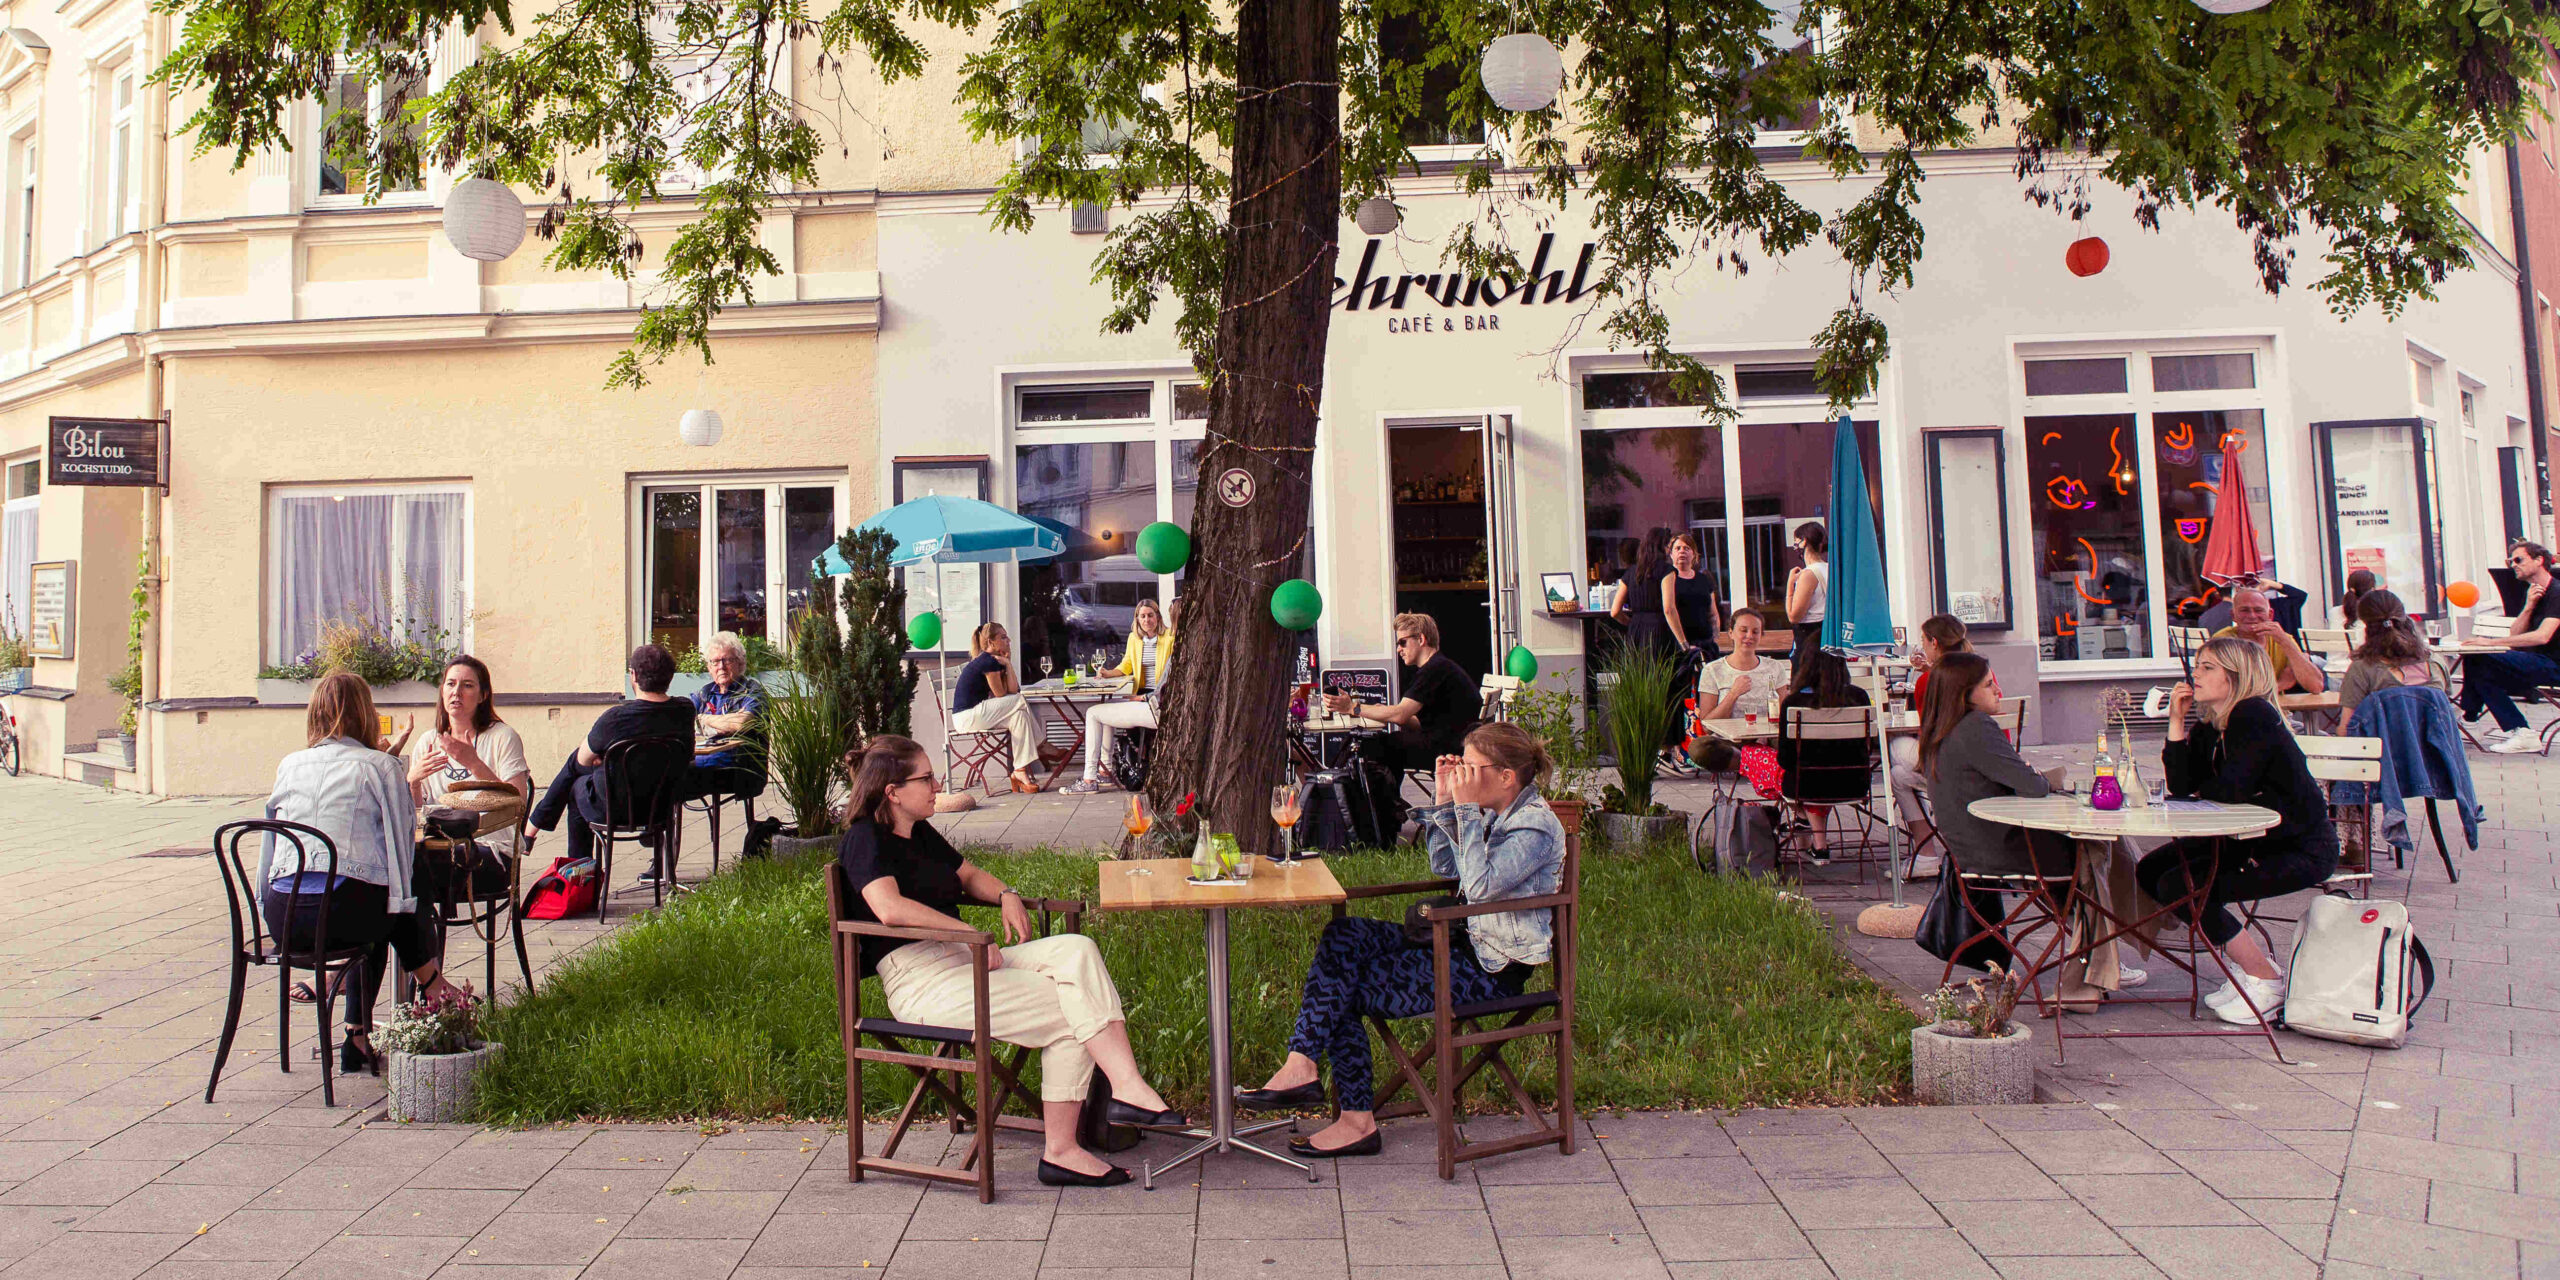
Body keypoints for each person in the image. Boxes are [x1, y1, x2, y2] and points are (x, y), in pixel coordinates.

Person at [836, 735, 1184, 1187]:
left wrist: (1005, 894)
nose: (937, 785)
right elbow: (889, 908)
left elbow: (969, 875)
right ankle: (1063, 1151)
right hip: (921, 981)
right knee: (1069, 1010)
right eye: (927, 778)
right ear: (892, 792)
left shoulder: (919, 832)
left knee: (1078, 952)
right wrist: (968, 934)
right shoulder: (865, 838)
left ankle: (1127, 1088)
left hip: (964, 959)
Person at [1237, 722, 1565, 1157]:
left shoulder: (1535, 826)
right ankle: (1303, 1063)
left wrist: (1464, 810)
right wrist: (1446, 803)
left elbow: (1482, 888)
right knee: (1344, 934)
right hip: (1459, 944)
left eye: (1471, 766)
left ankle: (1355, 1120)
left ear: (1506, 776)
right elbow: (1446, 865)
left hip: (1492, 970)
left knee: (1345, 990)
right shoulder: (1492, 812)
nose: (1463, 773)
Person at [265, 672, 469, 1073]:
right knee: (397, 896)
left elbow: (269, 851)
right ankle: (430, 984)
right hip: (341, 914)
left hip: (283, 918)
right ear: (366, 714)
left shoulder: (289, 765)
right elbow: (401, 842)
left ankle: (357, 1035)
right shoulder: (380, 766)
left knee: (376, 902)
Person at [1916, 654, 2146, 1008]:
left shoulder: (1941, 730)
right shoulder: (1975, 726)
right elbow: (2032, 786)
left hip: (1973, 848)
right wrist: (2036, 778)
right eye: (1989, 684)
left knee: (2080, 852)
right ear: (1965, 693)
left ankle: (2102, 945)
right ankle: (2102, 955)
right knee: (2098, 848)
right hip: (2002, 849)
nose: (1998, 690)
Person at [2141, 637, 2340, 1022]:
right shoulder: (2213, 725)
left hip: (2296, 848)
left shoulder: (2254, 715)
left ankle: (2265, 978)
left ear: (2236, 677)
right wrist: (2176, 721)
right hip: (2242, 841)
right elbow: (2182, 786)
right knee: (2151, 871)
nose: (2194, 674)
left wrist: (2205, 789)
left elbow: (2230, 790)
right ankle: (2245, 964)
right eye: (2196, 665)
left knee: (2180, 886)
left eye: (2207, 667)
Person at [526, 644, 700, 877]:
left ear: (634, 676)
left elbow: (583, 760)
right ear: (670, 677)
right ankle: (533, 830)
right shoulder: (685, 710)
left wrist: (604, 758)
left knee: (576, 781)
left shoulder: (616, 718)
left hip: (614, 810)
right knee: (580, 773)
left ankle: (578, 876)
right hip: (662, 808)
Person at [1325, 612, 1479, 774]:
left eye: (1402, 642)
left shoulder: (1434, 670)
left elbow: (1400, 715)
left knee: (1367, 746)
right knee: (1385, 743)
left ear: (1421, 639)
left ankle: (1349, 793)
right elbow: (1416, 722)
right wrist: (1382, 712)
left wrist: (1351, 707)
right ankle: (1386, 798)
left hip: (1446, 751)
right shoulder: (1439, 666)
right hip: (1452, 744)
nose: (1398, 649)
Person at [1062, 599, 1176, 794]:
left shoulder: (1170, 639)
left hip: (1153, 701)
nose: (1147, 620)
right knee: (1105, 713)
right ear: (1137, 619)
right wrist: (1108, 673)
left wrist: (1141, 699)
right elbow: (1127, 665)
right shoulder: (1135, 638)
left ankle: (1089, 779)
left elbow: (1166, 683)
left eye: (1150, 615)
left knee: (1093, 713)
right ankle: (1104, 772)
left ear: (1158, 617)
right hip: (1143, 696)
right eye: (1143, 616)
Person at [2458, 540, 2560, 752]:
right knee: (2478, 666)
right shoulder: (2533, 592)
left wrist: (2490, 643)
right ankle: (2519, 731)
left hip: (2554, 665)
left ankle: (2470, 720)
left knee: (2479, 659)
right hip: (2535, 663)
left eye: (2518, 559)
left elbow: (2542, 637)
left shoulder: (2557, 593)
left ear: (2539, 561)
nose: (2513, 565)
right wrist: (2528, 606)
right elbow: (2516, 633)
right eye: (2510, 561)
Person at [1772, 648, 1871, 864]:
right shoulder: (1859, 696)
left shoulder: (1794, 702)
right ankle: (1806, 825)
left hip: (1803, 787)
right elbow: (1869, 749)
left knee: (1766, 760)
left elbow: (1785, 760)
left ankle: (1802, 819)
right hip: (1854, 784)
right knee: (1817, 768)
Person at [1886, 614, 1970, 866]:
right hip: (1980, 765)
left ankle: (1928, 850)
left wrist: (1926, 675)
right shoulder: (1978, 669)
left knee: (1896, 746)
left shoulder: (1928, 682)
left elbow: (1930, 731)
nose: (1921, 646)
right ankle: (1925, 854)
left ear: (1934, 642)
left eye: (1923, 640)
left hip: (1948, 766)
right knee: (1899, 775)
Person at [951, 622, 1071, 793]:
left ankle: (1020, 772)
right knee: (1018, 701)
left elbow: (1013, 690)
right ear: (991, 642)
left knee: (1019, 716)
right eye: (1003, 637)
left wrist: (1007, 663)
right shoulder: (987, 661)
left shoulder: (996, 661)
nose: (1009, 640)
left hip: (979, 714)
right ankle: (1042, 745)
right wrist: (1006, 664)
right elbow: (1002, 694)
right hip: (967, 717)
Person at [407, 655, 533, 812]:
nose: (456, 692)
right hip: (441, 836)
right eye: (451, 684)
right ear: (442, 691)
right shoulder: (428, 741)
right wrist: (413, 783)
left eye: (467, 685)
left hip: (492, 835)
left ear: (482, 695)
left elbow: (518, 806)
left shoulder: (503, 736)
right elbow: (416, 815)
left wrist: (474, 763)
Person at [673, 632, 771, 818]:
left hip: (738, 768)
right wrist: (721, 722)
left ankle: (659, 827)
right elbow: (681, 718)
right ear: (709, 667)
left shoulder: (752, 690)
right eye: (715, 662)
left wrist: (704, 719)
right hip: (703, 763)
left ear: (740, 662)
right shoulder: (705, 692)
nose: (721, 667)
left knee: (672, 779)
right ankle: (656, 828)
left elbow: (740, 723)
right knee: (663, 771)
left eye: (727, 660)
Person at [1695, 609, 1792, 795]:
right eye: (1743, 630)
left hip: (1768, 741)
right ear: (1731, 633)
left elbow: (1784, 713)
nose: (1749, 636)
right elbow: (1708, 725)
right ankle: (1758, 764)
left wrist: (1766, 734)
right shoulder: (1713, 670)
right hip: (1731, 745)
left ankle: (1758, 763)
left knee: (1794, 742)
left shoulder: (1775, 668)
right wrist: (1733, 694)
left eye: (1755, 631)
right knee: (1699, 748)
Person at [2338, 590, 2440, 722]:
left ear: (2364, 624)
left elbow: (2347, 729)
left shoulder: (2362, 670)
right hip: (2434, 742)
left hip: (2384, 742)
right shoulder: (2435, 663)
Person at [2213, 587, 2325, 694]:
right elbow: (2224, 690)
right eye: (2244, 610)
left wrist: (2288, 645)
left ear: (2270, 615)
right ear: (2233, 616)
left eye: (2258, 610)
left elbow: (2316, 686)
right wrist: (2281, 684)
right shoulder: (2222, 641)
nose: (2252, 616)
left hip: (2278, 710)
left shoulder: (2282, 639)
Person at [1609, 527, 1677, 653]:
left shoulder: (1631, 572)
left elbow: (1614, 612)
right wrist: (1683, 642)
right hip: (1659, 629)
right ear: (1663, 547)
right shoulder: (1667, 571)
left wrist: (1631, 623)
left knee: (1639, 671)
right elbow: (1668, 609)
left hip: (1636, 630)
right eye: (1670, 546)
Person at [1660, 532, 1723, 661]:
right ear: (1671, 554)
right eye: (1678, 548)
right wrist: (1684, 644)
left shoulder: (1704, 579)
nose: (1682, 551)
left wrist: (1715, 638)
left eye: (1686, 548)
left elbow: (1713, 613)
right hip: (1678, 645)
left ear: (1694, 554)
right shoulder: (1667, 579)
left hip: (1705, 645)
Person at [1784, 521, 1828, 657]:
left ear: (1804, 541)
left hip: (1810, 636)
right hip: (1828, 634)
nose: (1795, 545)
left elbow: (1794, 616)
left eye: (1796, 540)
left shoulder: (1809, 574)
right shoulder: (1830, 568)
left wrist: (1790, 586)